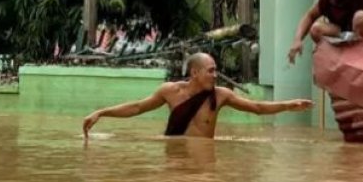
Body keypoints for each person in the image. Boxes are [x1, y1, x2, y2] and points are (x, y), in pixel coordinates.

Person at [82, 52, 312, 138]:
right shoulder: (170, 92)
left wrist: (289, 105)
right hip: (175, 157)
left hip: (204, 160)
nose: (216, 75)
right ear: (195, 73)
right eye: (211, 71)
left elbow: (258, 108)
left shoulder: (221, 95)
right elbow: (137, 108)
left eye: (215, 70)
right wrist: (101, 113)